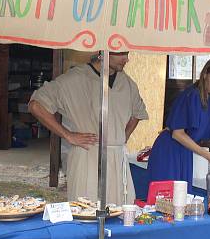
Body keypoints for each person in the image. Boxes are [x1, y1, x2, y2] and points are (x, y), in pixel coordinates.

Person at [29, 51, 148, 205]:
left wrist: (123, 136)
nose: (126, 59)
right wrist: (68, 135)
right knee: (86, 210)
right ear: (103, 52)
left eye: (127, 53)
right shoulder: (75, 79)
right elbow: (36, 105)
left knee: (120, 212)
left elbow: (138, 111)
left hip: (117, 158)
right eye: (121, 53)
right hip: (87, 154)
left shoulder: (128, 83)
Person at [147, 58, 210, 192]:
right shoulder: (190, 95)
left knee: (181, 198)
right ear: (205, 74)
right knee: (166, 199)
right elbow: (177, 134)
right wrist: (208, 155)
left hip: (185, 152)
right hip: (169, 151)